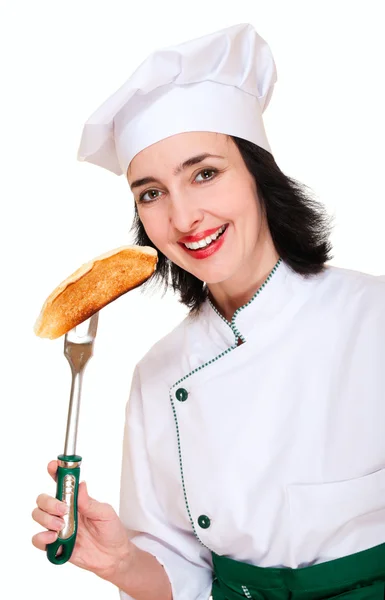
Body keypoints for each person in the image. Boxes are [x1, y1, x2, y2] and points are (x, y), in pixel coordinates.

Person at [32, 23, 385, 600]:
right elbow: (186, 577)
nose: (184, 216)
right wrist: (123, 563)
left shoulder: (373, 317)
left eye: (204, 173)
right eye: (151, 192)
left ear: (257, 175)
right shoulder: (157, 375)